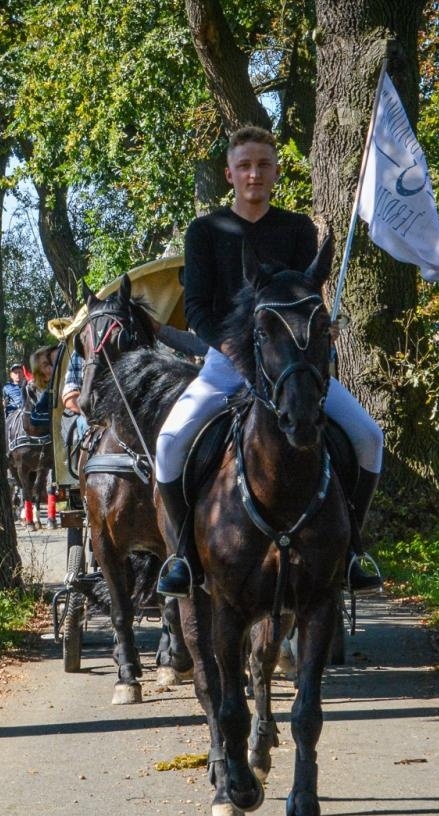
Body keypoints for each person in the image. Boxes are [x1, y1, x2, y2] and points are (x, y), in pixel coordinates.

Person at [154, 125, 385, 597]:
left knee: (368, 437)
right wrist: (231, 348)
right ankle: (184, 556)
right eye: (245, 166)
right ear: (230, 174)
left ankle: (352, 552)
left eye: (263, 165)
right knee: (169, 444)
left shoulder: (298, 230)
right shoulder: (205, 231)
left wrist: (320, 327)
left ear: (276, 172)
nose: (254, 174)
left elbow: (307, 297)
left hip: (292, 368)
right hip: (226, 363)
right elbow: (196, 305)